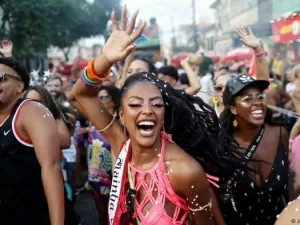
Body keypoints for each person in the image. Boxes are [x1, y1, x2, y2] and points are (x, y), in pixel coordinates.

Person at [69, 6, 246, 225]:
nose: (147, 111)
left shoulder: (186, 170)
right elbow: (80, 95)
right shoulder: (121, 143)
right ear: (122, 115)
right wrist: (105, 59)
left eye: (156, 104)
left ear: (164, 113)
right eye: (135, 104)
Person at [0, 57, 66, 224]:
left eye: (1, 78)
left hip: (32, 214)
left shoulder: (31, 111)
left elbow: (51, 168)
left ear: (19, 86)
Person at [216, 74, 289, 225]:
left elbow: (288, 184)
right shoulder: (222, 144)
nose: (257, 103)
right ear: (233, 109)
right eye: (247, 99)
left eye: (259, 97)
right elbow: (211, 194)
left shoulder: (280, 134)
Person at [85, 85, 120, 225]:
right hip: (95, 181)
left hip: (113, 184)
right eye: (97, 98)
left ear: (115, 101)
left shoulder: (119, 126)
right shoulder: (93, 122)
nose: (99, 101)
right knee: (102, 220)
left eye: (104, 97)